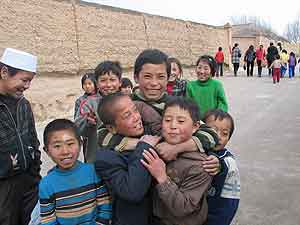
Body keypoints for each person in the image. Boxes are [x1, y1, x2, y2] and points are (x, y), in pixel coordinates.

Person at [97, 49, 220, 175]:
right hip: (134, 175)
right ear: (136, 78)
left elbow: (211, 134)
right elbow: (101, 134)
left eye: (161, 77)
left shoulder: (177, 106)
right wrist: (140, 144)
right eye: (147, 76)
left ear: (168, 78)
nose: (154, 83)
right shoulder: (126, 104)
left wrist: (177, 148)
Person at [141, 98, 212, 225]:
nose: (173, 126)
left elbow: (184, 207)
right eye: (167, 120)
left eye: (181, 121)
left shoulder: (202, 166)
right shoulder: (158, 146)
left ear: (195, 126)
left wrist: (162, 177)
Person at [95, 93, 161, 225]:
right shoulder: (106, 159)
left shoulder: (150, 132)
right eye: (127, 115)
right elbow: (133, 191)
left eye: (135, 110)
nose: (137, 117)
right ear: (111, 128)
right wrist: (143, 147)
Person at [39, 119, 112, 224]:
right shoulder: (46, 184)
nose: (65, 151)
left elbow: (105, 207)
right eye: (57, 146)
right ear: (47, 151)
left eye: (70, 144)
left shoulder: (93, 172)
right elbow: (48, 220)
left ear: (80, 143)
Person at [0, 48, 41, 225]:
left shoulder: (24, 104)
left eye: (30, 81)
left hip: (29, 183)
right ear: (4, 72)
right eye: (24, 80)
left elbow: (33, 140)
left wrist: (35, 174)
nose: (27, 86)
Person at [74, 60, 122, 162]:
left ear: (120, 82)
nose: (108, 85)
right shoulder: (89, 104)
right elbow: (77, 129)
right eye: (103, 80)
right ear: (97, 83)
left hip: (123, 158)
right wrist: (87, 122)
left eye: (112, 80)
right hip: (97, 158)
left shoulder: (128, 102)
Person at [203, 109, 240, 225]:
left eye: (225, 133)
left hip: (216, 217)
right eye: (213, 130)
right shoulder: (199, 150)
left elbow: (230, 204)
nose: (218, 136)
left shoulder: (227, 161)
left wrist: (219, 166)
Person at [186, 55, 228, 119]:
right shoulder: (190, 86)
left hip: (213, 122)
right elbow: (188, 106)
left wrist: (216, 118)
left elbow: (222, 104)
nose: (202, 72)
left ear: (212, 71)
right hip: (196, 123)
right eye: (199, 67)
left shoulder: (217, 85)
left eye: (206, 68)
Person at [74, 72, 98, 161]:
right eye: (85, 84)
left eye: (90, 83)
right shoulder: (80, 101)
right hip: (87, 136)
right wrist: (86, 121)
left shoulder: (101, 97)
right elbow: (77, 120)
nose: (87, 86)